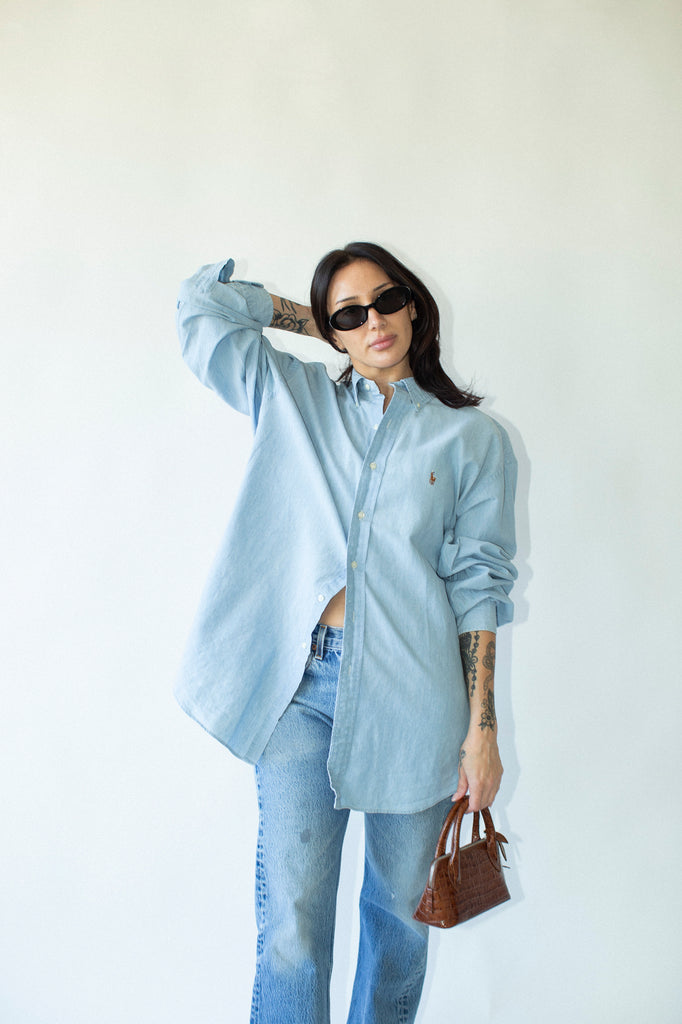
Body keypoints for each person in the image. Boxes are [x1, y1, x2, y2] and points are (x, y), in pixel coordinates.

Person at [175, 242, 517, 1024]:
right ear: (331, 331)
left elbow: (479, 588)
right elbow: (201, 308)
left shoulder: (473, 443)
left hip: (416, 698)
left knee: (399, 925)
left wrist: (482, 730)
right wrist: (317, 324)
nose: (375, 323)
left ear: (415, 307)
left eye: (387, 301)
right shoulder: (292, 397)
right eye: (351, 314)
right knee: (292, 923)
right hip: (298, 693)